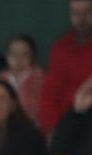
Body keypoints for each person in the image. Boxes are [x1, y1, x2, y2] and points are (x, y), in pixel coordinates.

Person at [40, 0, 92, 136]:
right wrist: (50, 129)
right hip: (67, 126)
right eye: (76, 13)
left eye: (88, 12)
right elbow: (50, 94)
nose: (82, 19)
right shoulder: (60, 48)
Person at [4, 35, 46, 130]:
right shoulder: (1, 78)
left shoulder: (41, 78)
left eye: (25, 54)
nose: (18, 59)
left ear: (32, 57)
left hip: (31, 128)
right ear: (7, 56)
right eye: (14, 54)